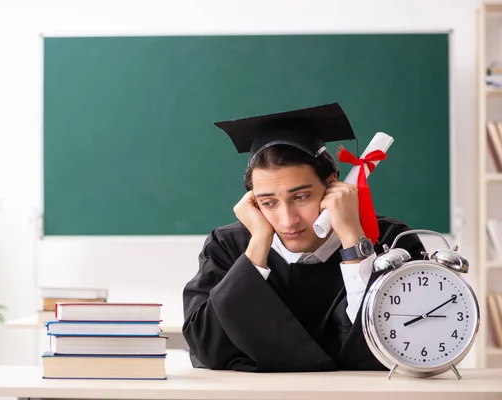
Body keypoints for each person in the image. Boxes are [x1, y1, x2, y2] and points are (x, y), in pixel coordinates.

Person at [182, 102, 425, 372]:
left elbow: (406, 342)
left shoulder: (393, 241)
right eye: (269, 202)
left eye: (301, 197)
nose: (288, 220)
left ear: (333, 184)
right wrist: (258, 245)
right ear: (252, 201)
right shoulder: (228, 246)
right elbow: (208, 348)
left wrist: (353, 241)